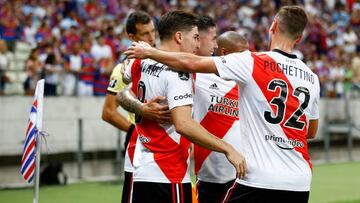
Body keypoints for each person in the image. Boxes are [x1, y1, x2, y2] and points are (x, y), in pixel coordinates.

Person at [125, 6, 319, 203]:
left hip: (257, 176)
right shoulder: (312, 78)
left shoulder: (252, 63)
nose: (203, 43)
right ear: (300, 38)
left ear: (273, 26)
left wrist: (150, 52)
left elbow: (189, 63)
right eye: (196, 38)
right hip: (298, 178)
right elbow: (311, 132)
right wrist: (140, 106)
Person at [119, 11, 246, 203]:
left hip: (141, 172)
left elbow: (124, 88)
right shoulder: (179, 73)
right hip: (169, 174)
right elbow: (183, 124)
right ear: (179, 36)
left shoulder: (140, 61)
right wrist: (228, 149)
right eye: (195, 37)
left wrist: (140, 107)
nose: (197, 44)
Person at [101, 10, 163, 203]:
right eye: (145, 34)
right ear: (131, 37)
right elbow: (108, 112)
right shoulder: (123, 69)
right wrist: (134, 131)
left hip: (163, 143)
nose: (152, 38)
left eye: (153, 31)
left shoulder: (163, 61)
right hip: (139, 145)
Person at [194, 28, 249, 203]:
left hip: (244, 174)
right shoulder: (200, 74)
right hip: (211, 176)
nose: (246, 58)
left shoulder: (248, 81)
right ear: (224, 53)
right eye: (241, 53)